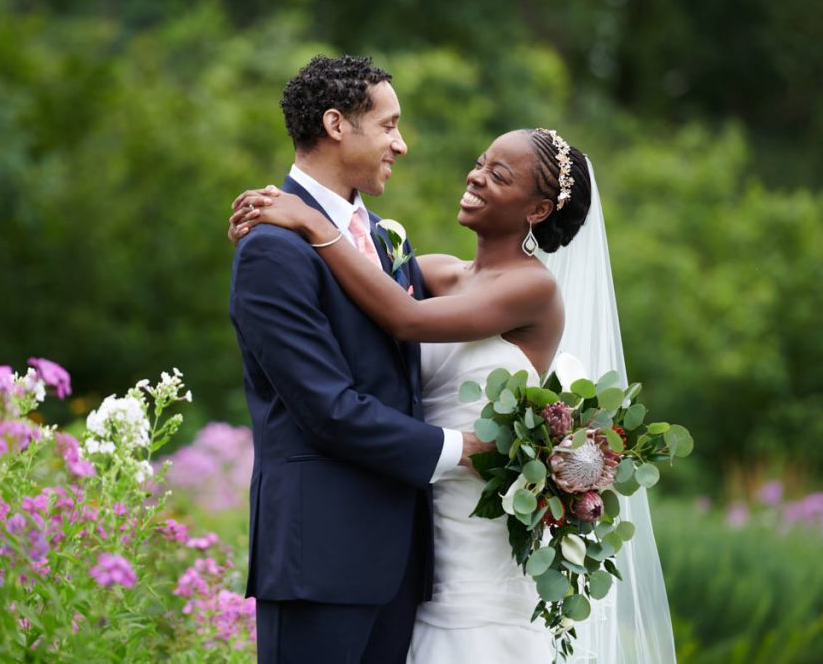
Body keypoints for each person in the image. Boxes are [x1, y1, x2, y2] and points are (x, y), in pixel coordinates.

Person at [230, 127, 677, 663]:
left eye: (498, 175)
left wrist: (308, 221)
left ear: (536, 209)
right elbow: (351, 294)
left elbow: (403, 318)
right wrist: (281, 240)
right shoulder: (438, 271)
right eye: (480, 162)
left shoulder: (532, 290)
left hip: (475, 519)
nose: (475, 177)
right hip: (410, 527)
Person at [228, 54, 488, 664]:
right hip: (319, 559)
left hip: (400, 561)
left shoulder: (380, 238)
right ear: (337, 124)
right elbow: (328, 408)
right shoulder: (272, 250)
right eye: (389, 125)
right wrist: (460, 450)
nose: (402, 143)